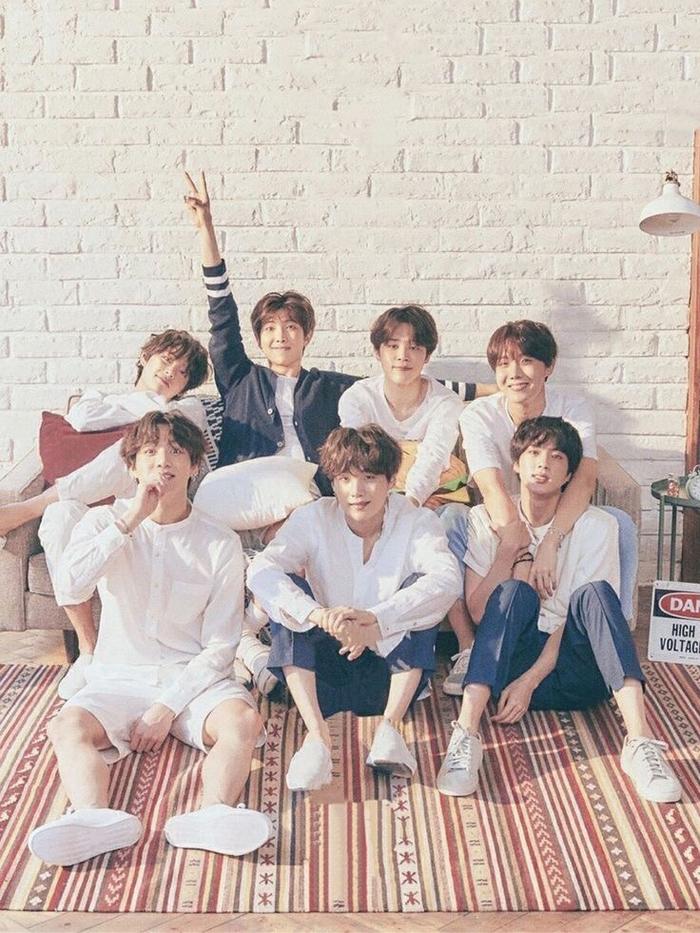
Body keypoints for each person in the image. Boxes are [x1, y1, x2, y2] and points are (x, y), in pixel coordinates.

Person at [28, 412, 271, 866]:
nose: (163, 461)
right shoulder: (103, 523)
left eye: (176, 451)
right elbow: (70, 587)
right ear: (132, 465)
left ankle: (213, 813)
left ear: (194, 465)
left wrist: (166, 708)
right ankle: (92, 818)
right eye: (150, 451)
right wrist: (130, 521)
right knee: (66, 726)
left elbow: (221, 645)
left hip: (191, 680)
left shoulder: (219, 542)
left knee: (243, 721)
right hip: (118, 676)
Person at [436, 416, 681, 805]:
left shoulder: (597, 525)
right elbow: (481, 614)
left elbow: (589, 618)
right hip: (506, 668)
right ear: (516, 464)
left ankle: (640, 742)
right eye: (534, 453)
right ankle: (465, 735)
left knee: (597, 594)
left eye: (557, 457)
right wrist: (511, 551)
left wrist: (530, 681)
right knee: (514, 591)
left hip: (576, 673)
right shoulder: (485, 519)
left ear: (569, 474)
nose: (543, 464)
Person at [247, 424, 462, 792]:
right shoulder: (313, 517)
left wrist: (377, 621)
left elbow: (447, 580)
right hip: (322, 678)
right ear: (333, 482)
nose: (356, 491)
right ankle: (316, 737)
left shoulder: (417, 521)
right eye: (345, 478)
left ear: (391, 480)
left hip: (389, 677)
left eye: (369, 478)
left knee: (422, 592)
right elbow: (261, 570)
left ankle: (390, 730)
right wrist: (317, 615)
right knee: (290, 597)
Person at [0, 330, 210, 698]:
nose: (170, 372)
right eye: (166, 360)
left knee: (135, 445)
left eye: (181, 372)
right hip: (87, 510)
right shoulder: (99, 399)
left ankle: (27, 509)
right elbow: (82, 418)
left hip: (141, 506)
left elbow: (173, 433)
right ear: (145, 357)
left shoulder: (186, 410)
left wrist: (147, 415)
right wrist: (145, 406)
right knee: (59, 517)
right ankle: (89, 650)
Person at [452, 320, 638, 688]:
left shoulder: (573, 407)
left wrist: (551, 540)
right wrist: (519, 544)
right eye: (504, 363)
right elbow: (490, 486)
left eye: (526, 361)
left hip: (557, 510)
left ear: (548, 366)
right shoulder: (478, 414)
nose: (515, 373)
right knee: (449, 521)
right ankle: (469, 645)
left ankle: (615, 634)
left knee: (620, 523)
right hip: (502, 512)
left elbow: (584, 479)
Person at [338, 305, 482, 695]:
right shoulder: (358, 398)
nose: (403, 355)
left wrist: (410, 507)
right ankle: (389, 651)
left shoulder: (444, 403)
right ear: (378, 351)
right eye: (393, 345)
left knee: (443, 524)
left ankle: (466, 646)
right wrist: (390, 509)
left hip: (433, 498)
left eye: (414, 347)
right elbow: (361, 460)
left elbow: (433, 460)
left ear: (427, 354)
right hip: (375, 497)